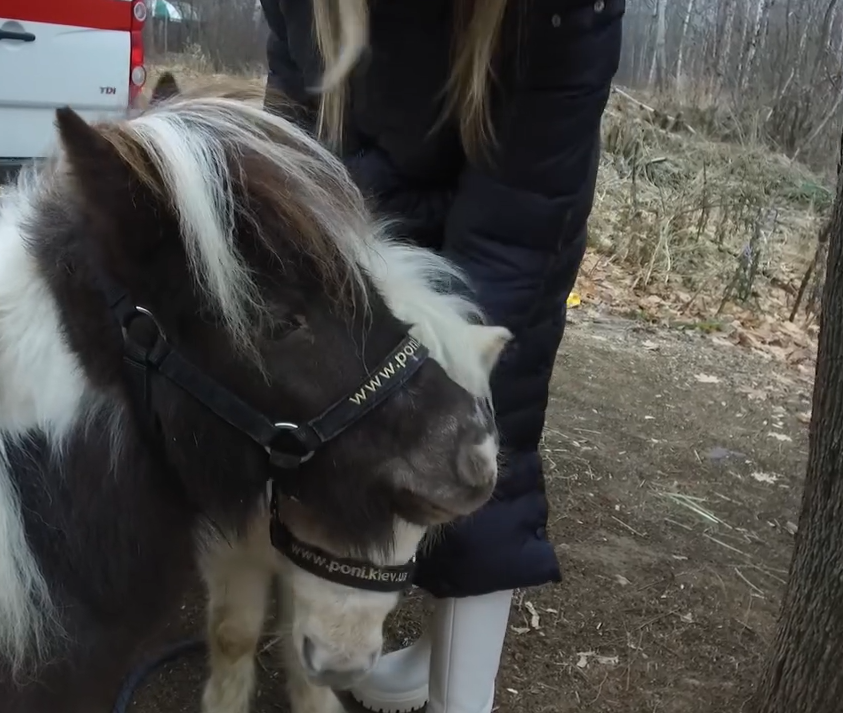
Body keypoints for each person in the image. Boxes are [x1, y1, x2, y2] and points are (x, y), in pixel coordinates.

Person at [254, 1, 624, 712]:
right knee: (324, 434)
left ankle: (461, 691)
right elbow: (293, 140)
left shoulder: (563, 15)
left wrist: (421, 380)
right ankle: (348, 636)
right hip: (351, 228)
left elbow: (516, 228)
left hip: (505, 225)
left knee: (478, 430)